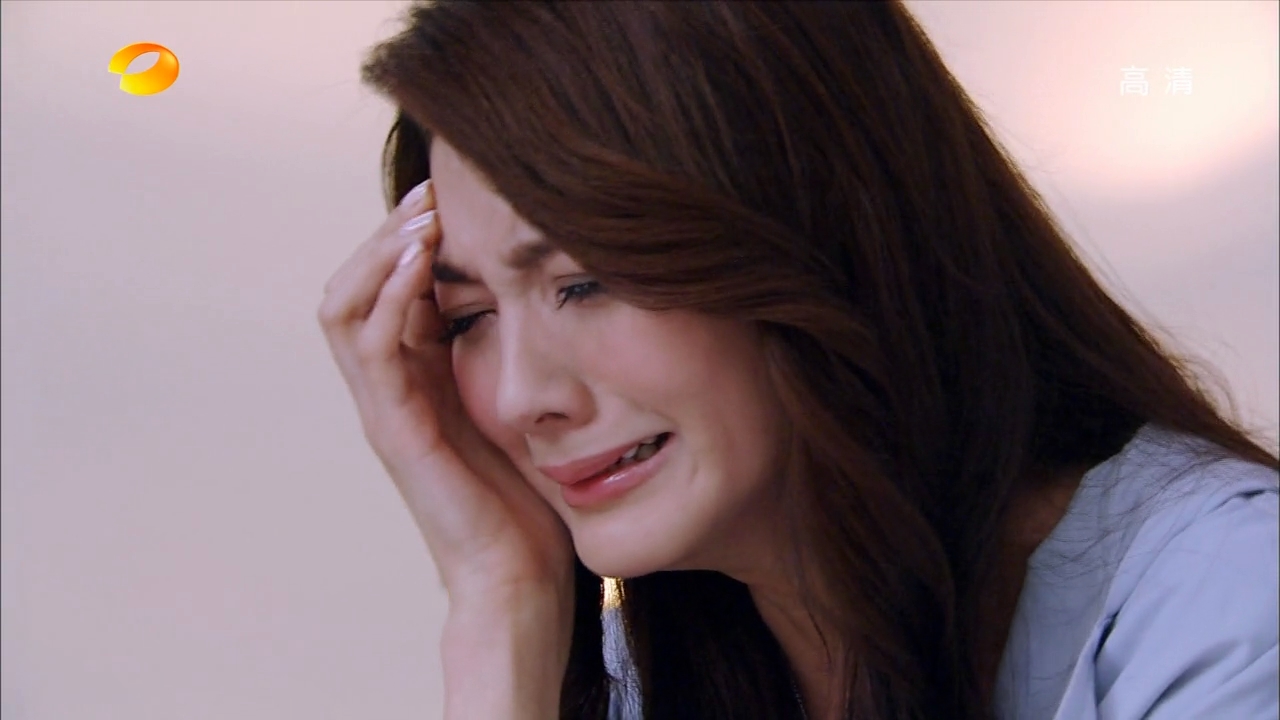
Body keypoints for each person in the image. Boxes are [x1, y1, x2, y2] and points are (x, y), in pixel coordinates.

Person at [317, 2, 1280, 718]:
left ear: (818, 231)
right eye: (469, 317)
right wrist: (498, 599)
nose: (522, 395)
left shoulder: (1223, 602)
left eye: (586, 283)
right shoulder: (639, 675)